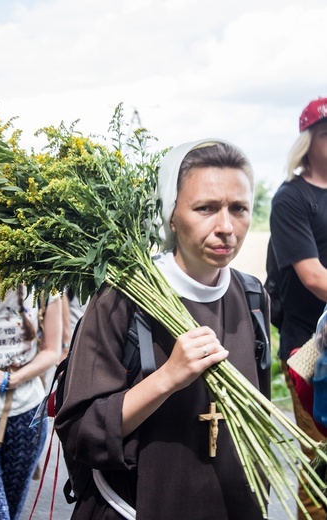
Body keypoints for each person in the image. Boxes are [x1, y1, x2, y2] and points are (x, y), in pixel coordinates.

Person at [55, 139, 271, 520]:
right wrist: (167, 377)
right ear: (170, 214)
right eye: (205, 208)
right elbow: (80, 432)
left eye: (238, 209)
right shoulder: (122, 296)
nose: (225, 227)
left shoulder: (253, 297)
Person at [269, 96, 327, 520]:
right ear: (308, 141)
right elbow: (314, 277)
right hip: (309, 352)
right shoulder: (292, 199)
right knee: (321, 459)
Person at [0, 272, 62, 520]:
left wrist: (8, 380)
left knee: (12, 511)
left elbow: (51, 350)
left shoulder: (43, 278)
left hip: (27, 417)